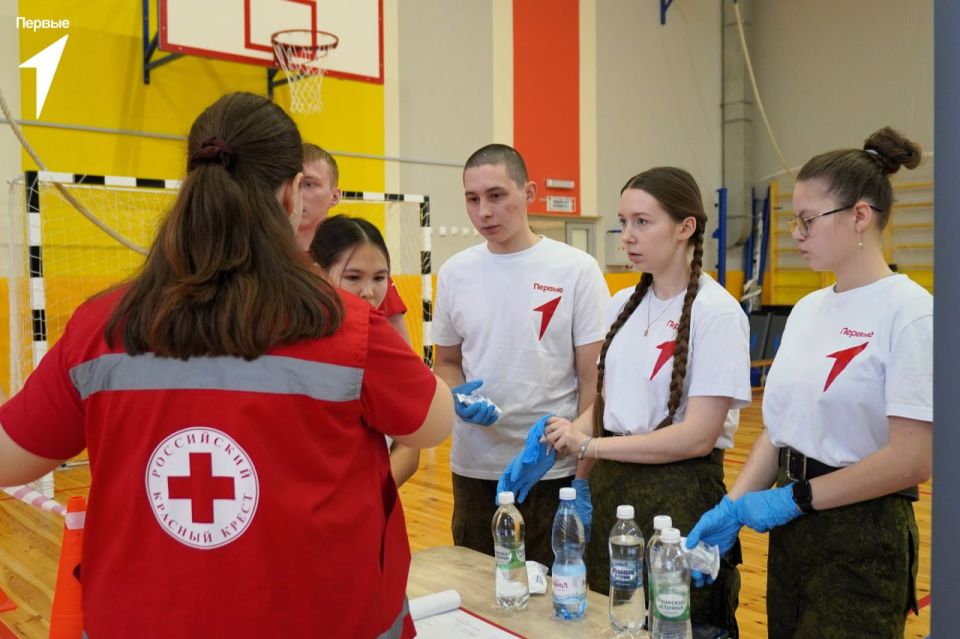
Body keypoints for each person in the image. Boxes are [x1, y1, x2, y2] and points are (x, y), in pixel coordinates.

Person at [0, 92, 453, 639]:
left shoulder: (98, 326)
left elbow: (9, 458)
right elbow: (434, 424)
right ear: (291, 196)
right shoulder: (349, 326)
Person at [687, 127, 932, 638]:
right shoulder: (806, 310)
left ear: (860, 216)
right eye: (792, 220)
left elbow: (913, 458)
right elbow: (780, 430)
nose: (796, 234)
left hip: (863, 535)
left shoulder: (911, 314)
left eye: (807, 220)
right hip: (794, 531)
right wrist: (733, 506)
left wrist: (792, 500)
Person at [542, 167, 750, 636]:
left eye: (642, 222)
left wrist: (588, 447)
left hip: (679, 498)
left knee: (678, 624)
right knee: (610, 620)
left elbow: (697, 437)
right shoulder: (621, 305)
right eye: (623, 223)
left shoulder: (717, 313)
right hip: (614, 492)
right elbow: (605, 406)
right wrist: (577, 484)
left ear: (685, 227)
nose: (627, 237)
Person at [431, 143, 609, 567]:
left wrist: (582, 473)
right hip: (475, 467)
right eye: (472, 199)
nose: (483, 212)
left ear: (528, 193)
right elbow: (447, 363)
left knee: (552, 603)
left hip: (553, 469)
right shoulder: (455, 272)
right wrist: (460, 397)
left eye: (496, 196)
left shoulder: (576, 269)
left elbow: (594, 381)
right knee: (477, 601)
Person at [310, 214, 422, 486]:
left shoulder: (380, 346)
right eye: (353, 277)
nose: (368, 291)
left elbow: (411, 445)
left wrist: (371, 497)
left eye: (379, 278)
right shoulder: (296, 345)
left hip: (366, 507)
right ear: (318, 274)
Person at [299, 143, 412, 344]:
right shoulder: (266, 258)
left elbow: (402, 346)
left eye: (309, 184)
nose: (298, 193)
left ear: (335, 196)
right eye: (293, 183)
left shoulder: (364, 254)